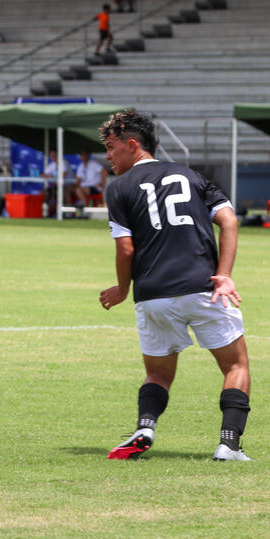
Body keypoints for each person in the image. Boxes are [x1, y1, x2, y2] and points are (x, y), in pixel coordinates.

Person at [98, 109, 253, 462]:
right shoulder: (192, 176)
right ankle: (229, 444)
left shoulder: (119, 188)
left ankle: (144, 427)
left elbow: (125, 248)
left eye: (111, 147)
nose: (108, 155)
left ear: (132, 145)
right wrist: (225, 274)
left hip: (152, 295)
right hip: (204, 288)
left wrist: (123, 289)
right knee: (235, 366)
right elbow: (229, 221)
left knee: (157, 373)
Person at [42, 149, 71, 216]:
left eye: (54, 155)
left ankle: (66, 213)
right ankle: (45, 212)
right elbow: (43, 175)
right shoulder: (52, 164)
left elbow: (64, 174)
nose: (53, 157)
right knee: (45, 193)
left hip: (66, 186)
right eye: (51, 156)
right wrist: (52, 176)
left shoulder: (63, 162)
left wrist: (51, 176)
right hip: (56, 186)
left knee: (61, 193)